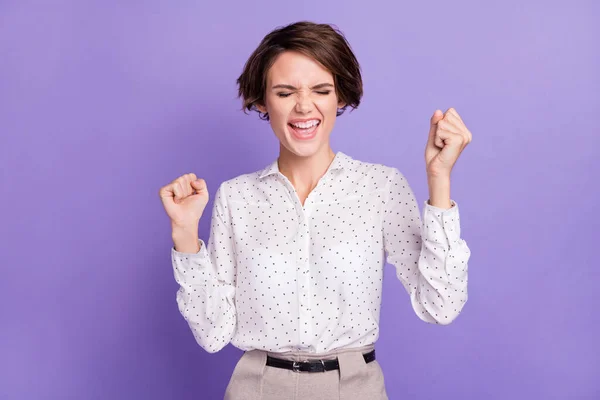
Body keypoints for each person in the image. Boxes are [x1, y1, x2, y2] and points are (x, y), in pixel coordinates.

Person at [158, 21, 472, 400]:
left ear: (339, 97)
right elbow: (213, 334)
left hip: (354, 388)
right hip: (256, 388)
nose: (304, 106)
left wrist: (439, 179)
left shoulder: (380, 187)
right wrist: (185, 235)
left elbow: (441, 305)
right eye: (285, 92)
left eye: (321, 90)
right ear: (262, 100)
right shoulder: (235, 197)